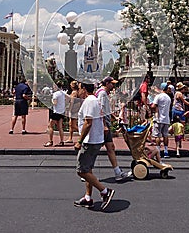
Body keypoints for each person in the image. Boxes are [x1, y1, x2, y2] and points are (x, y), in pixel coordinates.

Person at [74, 82, 115, 210]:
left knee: (81, 170)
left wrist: (79, 141)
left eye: (79, 88)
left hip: (90, 141)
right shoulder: (95, 100)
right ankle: (88, 198)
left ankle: (104, 191)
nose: (78, 91)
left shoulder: (90, 101)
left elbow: (88, 122)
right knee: (88, 169)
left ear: (84, 89)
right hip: (95, 139)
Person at [96, 76, 131, 181]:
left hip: (104, 124)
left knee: (110, 148)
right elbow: (100, 109)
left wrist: (114, 117)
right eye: (112, 84)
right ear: (107, 84)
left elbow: (105, 110)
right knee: (95, 149)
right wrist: (104, 125)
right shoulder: (102, 94)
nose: (113, 86)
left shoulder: (103, 93)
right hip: (102, 125)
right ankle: (86, 171)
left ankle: (117, 172)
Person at [152, 83, 172, 158]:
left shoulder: (158, 96)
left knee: (157, 135)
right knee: (165, 135)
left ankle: (158, 151)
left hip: (158, 118)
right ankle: (166, 151)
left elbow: (154, 105)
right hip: (166, 119)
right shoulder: (168, 98)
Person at [44, 81, 66, 147]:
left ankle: (50, 141)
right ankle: (62, 141)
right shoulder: (63, 93)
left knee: (50, 126)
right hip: (61, 111)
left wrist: (51, 100)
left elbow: (55, 103)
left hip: (56, 111)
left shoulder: (55, 94)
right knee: (60, 127)